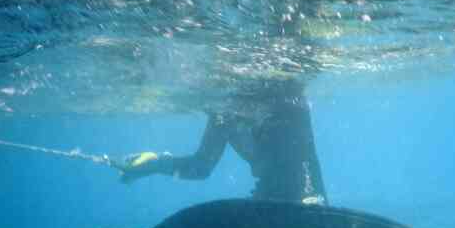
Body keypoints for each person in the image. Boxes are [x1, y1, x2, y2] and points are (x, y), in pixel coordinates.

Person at [118, 78, 327, 206]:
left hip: (289, 194)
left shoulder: (286, 104)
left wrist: (153, 165)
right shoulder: (228, 112)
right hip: (291, 194)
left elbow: (200, 168)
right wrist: (152, 165)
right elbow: (201, 168)